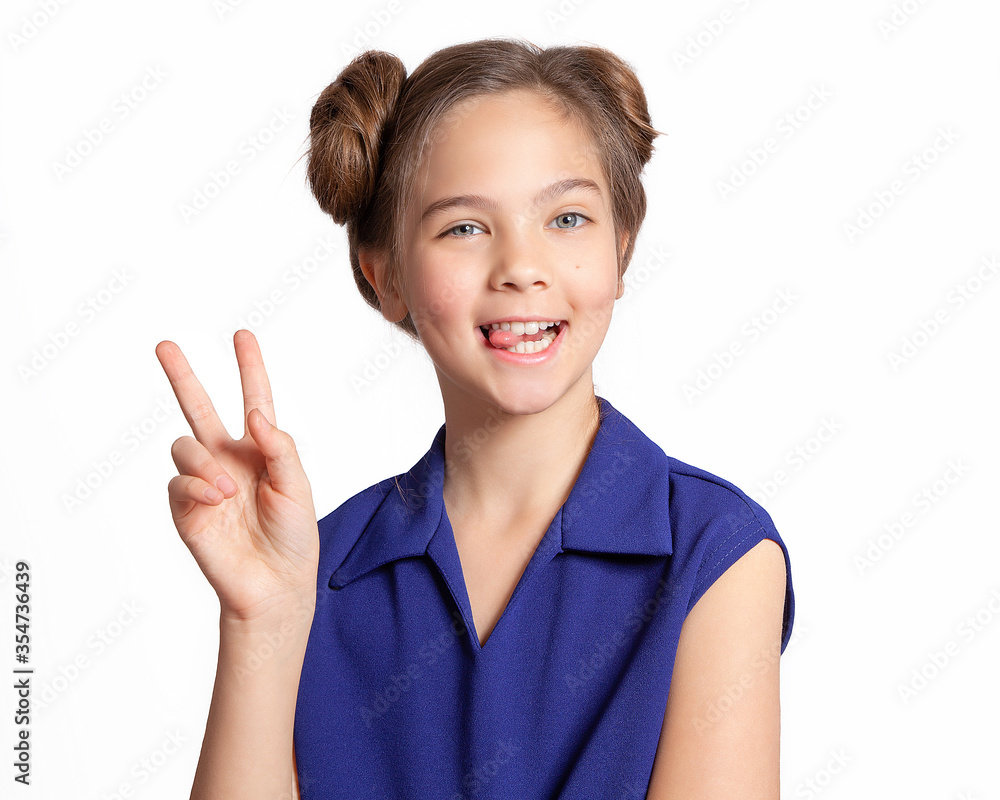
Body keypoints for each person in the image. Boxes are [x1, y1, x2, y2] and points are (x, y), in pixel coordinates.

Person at [156, 37, 794, 800]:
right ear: (384, 274)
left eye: (567, 218)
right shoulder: (312, 571)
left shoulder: (716, 554)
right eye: (464, 227)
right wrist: (260, 620)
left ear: (622, 248)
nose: (521, 266)